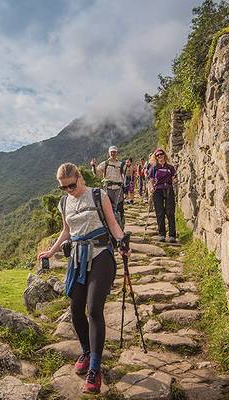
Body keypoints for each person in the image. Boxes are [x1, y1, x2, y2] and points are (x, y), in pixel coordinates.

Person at [37, 162, 130, 394]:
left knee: (94, 308)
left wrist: (121, 241)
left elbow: (112, 224)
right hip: (78, 258)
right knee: (76, 307)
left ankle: (95, 369)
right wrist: (51, 251)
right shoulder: (64, 202)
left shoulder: (99, 195)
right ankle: (87, 352)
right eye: (63, 187)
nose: (68, 190)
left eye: (71, 184)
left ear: (79, 177)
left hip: (101, 255)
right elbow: (66, 231)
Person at [90, 146, 125, 228]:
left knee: (119, 208)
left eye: (114, 152)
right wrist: (93, 166)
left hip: (118, 189)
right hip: (107, 188)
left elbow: (128, 174)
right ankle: (108, 226)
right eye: (111, 152)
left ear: (117, 153)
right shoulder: (105, 163)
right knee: (107, 208)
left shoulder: (121, 164)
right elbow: (97, 173)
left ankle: (120, 226)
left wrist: (129, 167)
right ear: (109, 153)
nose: (113, 153)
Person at [149, 148, 177, 242]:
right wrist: (151, 188)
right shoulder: (154, 168)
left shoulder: (170, 167)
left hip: (168, 189)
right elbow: (151, 180)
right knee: (160, 212)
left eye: (161, 154)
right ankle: (161, 234)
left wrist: (175, 180)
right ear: (156, 157)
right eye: (157, 155)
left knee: (170, 212)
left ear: (164, 155)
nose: (159, 156)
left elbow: (174, 177)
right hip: (157, 190)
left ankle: (172, 235)